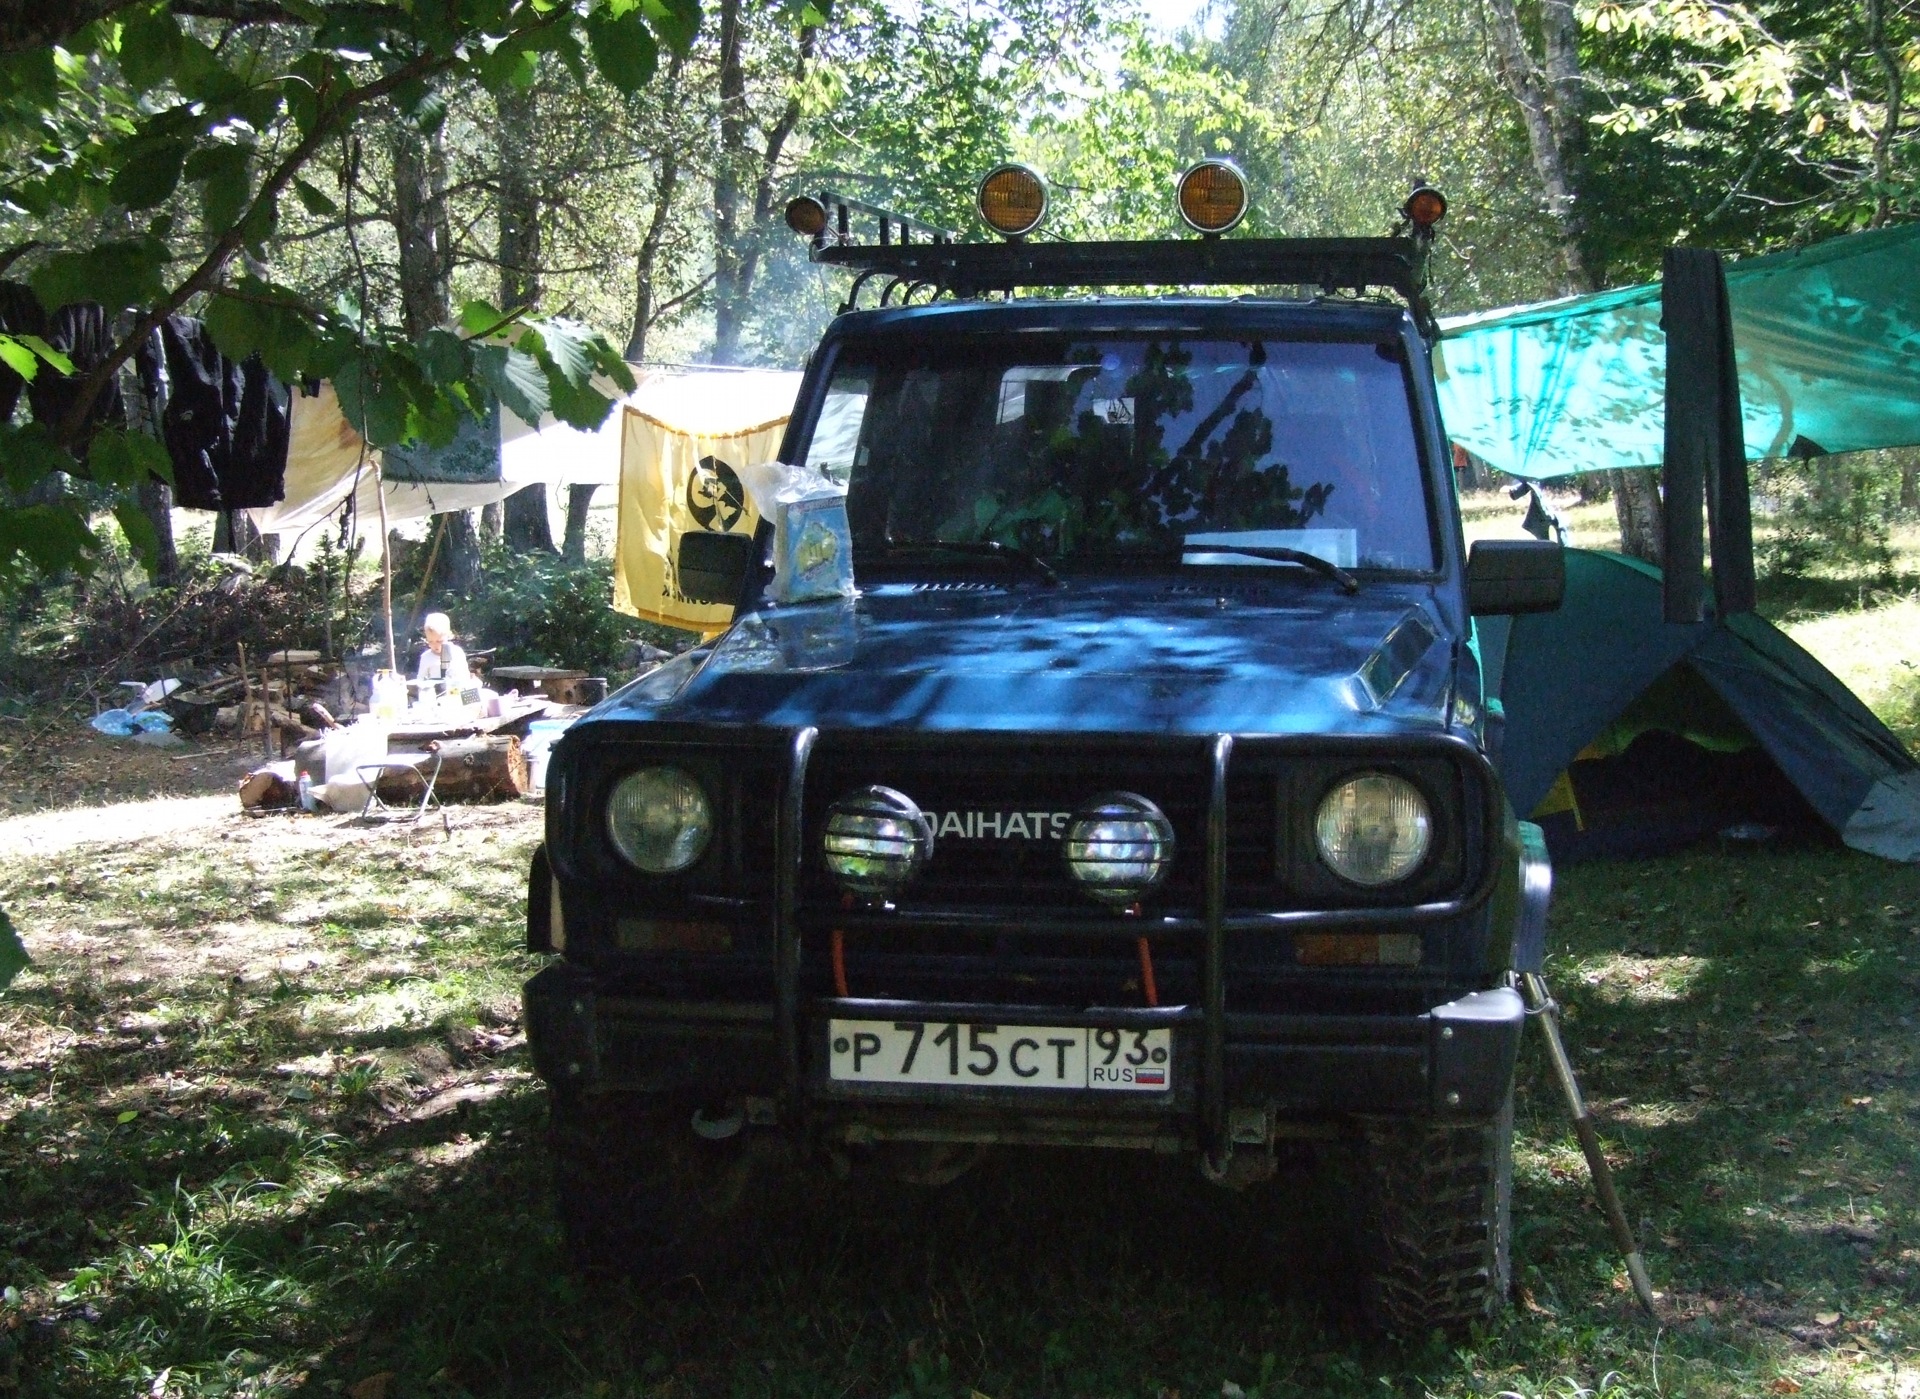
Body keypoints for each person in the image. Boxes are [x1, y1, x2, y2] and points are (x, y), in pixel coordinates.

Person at [416, 612, 471, 692]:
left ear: (448, 636)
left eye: (439, 641)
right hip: (436, 697)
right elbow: (420, 681)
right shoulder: (426, 657)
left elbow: (466, 677)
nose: (435, 645)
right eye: (430, 642)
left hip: (458, 695)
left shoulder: (457, 652)